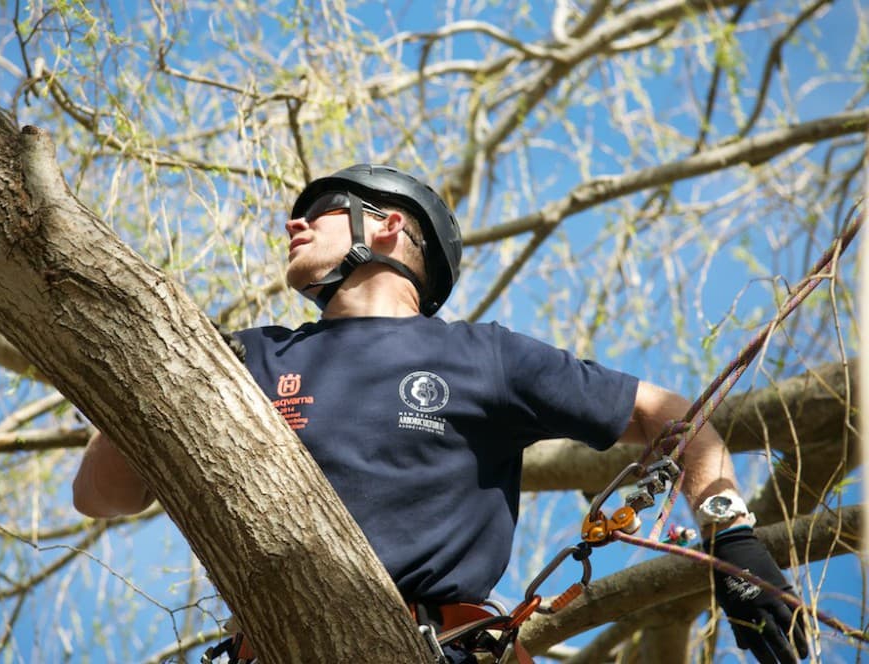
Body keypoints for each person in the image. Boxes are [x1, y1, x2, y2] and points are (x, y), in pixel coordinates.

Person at [72, 164, 808, 664]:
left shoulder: (486, 357)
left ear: (388, 226)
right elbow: (100, 496)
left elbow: (671, 415)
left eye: (319, 212)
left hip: (435, 648)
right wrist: (150, 383)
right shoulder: (251, 357)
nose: (293, 225)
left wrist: (732, 537)